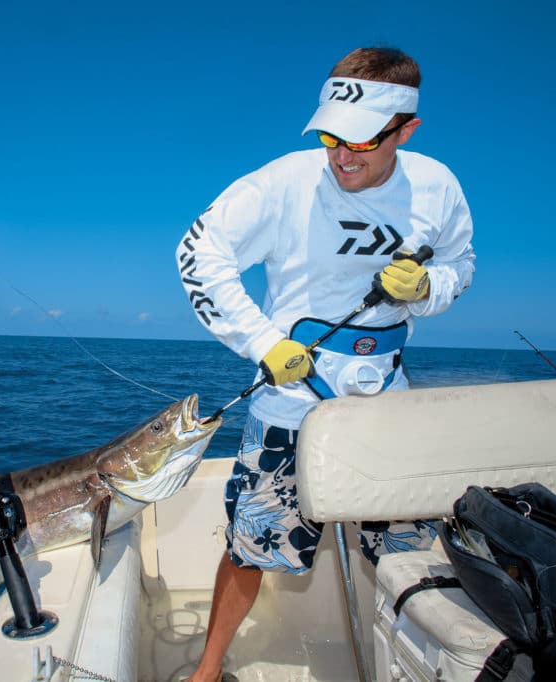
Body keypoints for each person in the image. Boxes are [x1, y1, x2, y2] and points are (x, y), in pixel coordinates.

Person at [175, 47, 475, 682]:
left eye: (362, 143)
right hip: (289, 405)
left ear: (406, 131)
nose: (342, 156)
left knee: (410, 552)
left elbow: (461, 266)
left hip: (388, 402)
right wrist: (261, 342)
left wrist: (426, 288)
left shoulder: (439, 187)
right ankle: (206, 671)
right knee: (250, 545)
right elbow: (198, 253)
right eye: (333, 138)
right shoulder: (285, 181)